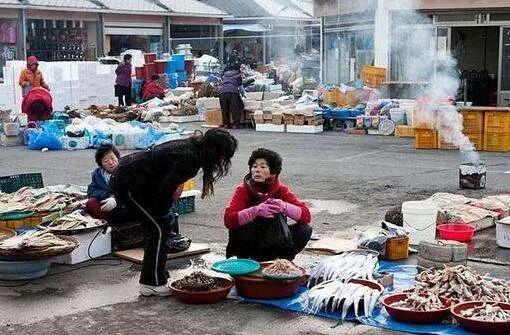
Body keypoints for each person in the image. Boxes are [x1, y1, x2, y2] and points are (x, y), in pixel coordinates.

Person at [110, 128, 238, 296]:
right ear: (214, 150)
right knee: (158, 228)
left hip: (140, 181)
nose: (222, 160)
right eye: (222, 155)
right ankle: (151, 283)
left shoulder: (194, 150)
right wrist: (163, 214)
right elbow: (164, 190)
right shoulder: (189, 159)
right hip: (127, 183)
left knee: (162, 225)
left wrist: (165, 215)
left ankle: (156, 274)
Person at [224, 148, 312, 262]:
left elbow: (306, 216)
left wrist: (284, 206)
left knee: (304, 230)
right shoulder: (242, 190)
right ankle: (244, 262)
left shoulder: (281, 190)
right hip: (249, 245)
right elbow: (229, 220)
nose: (257, 170)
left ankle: (283, 262)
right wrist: (255, 211)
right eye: (254, 166)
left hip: (273, 241)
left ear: (273, 172)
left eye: (263, 167)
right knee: (242, 228)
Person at [86, 145, 128, 223]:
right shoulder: (98, 174)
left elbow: (132, 190)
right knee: (91, 203)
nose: (111, 163)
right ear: (101, 164)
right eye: (106, 161)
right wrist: (108, 195)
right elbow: (91, 190)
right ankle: (107, 223)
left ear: (117, 157)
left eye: (113, 158)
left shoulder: (126, 170)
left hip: (124, 205)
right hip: (107, 205)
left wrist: (116, 199)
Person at [219, 63, 245, 129]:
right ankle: (236, 125)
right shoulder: (238, 75)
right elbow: (241, 88)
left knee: (225, 109)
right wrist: (244, 95)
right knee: (235, 109)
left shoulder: (224, 75)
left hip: (222, 92)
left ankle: (226, 125)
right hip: (233, 92)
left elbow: (221, 83)